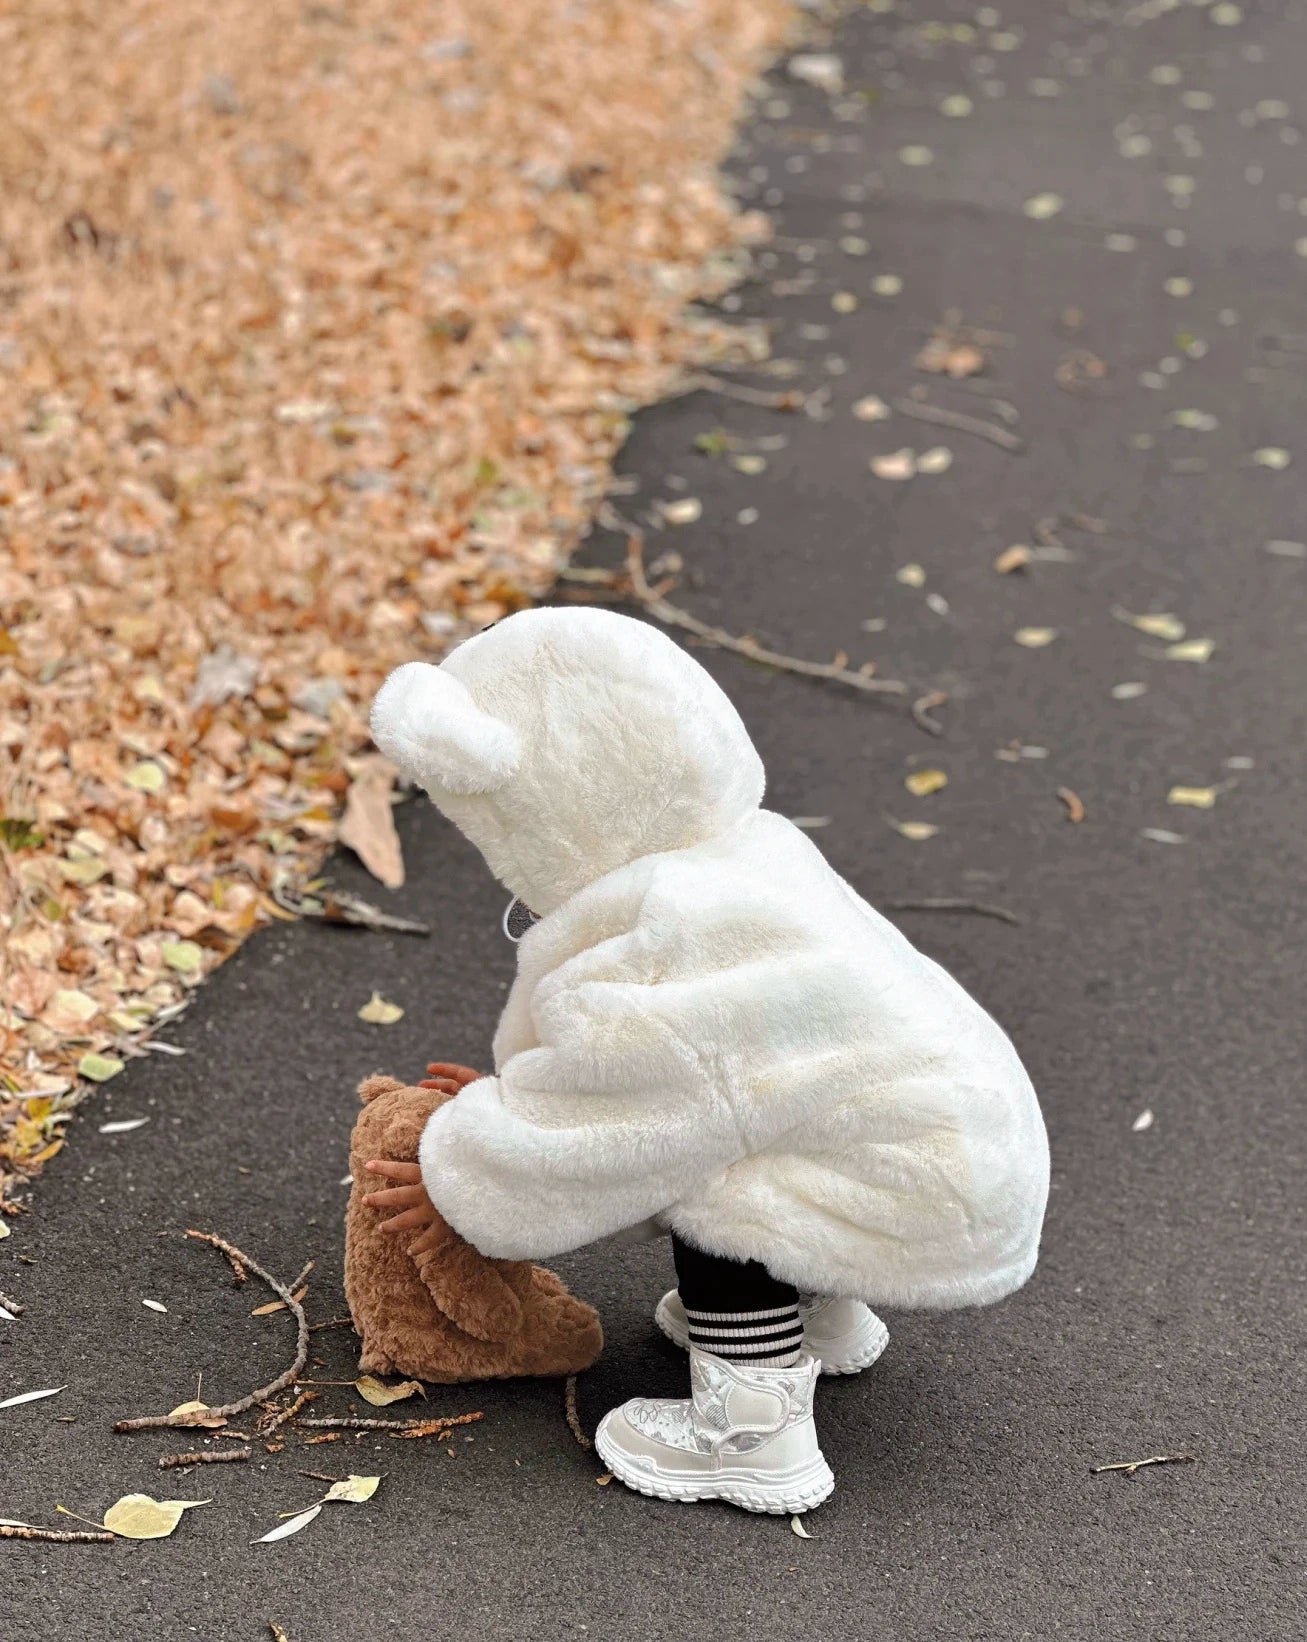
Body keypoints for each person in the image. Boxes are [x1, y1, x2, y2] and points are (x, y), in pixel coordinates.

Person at [363, 606, 1050, 1514]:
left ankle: (752, 1432)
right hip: (958, 1147)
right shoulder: (745, 857)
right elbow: (681, 1060)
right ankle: (817, 1310)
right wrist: (509, 1093)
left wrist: (464, 1164)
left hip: (907, 1177)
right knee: (773, 1111)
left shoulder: (663, 933)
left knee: (704, 1161)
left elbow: (619, 1119)